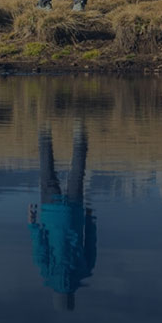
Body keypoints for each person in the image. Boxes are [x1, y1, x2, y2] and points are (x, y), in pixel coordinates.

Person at [29, 124, 96, 311]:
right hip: (51, 212)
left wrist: (90, 220)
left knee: (77, 174)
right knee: (47, 174)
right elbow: (39, 247)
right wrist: (32, 223)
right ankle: (44, 129)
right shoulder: (46, 273)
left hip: (74, 214)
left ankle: (79, 132)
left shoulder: (84, 271)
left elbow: (91, 243)